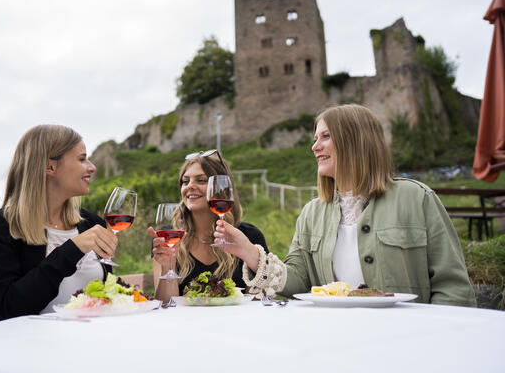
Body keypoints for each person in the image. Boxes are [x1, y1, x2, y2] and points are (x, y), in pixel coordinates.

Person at [214, 104, 476, 307]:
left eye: (325, 136)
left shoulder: (417, 198)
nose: (314, 147)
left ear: (355, 139)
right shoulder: (311, 213)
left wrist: (437, 337)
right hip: (338, 340)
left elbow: (453, 287)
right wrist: (251, 254)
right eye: (315, 138)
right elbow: (298, 281)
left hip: (409, 341)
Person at [0, 125, 118, 326]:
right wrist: (72, 249)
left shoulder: (91, 224)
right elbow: (11, 308)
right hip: (18, 348)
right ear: (50, 167)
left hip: (86, 344)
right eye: (82, 159)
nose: (92, 167)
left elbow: (104, 296)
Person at [149, 150, 268, 303]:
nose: (190, 186)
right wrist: (167, 266)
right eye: (185, 181)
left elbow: (260, 301)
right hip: (185, 325)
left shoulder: (250, 236)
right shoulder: (168, 238)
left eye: (201, 180)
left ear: (221, 188)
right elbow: (166, 305)